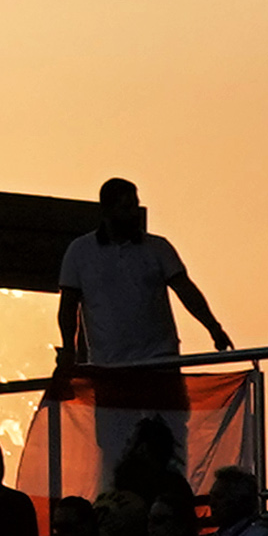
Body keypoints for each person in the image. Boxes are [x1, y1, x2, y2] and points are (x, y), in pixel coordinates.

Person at [51, 180, 225, 499]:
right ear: (106, 210)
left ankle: (173, 501)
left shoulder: (157, 248)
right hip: (110, 370)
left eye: (135, 204)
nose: (134, 212)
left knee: (170, 440)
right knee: (114, 447)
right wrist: (69, 353)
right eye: (125, 206)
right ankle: (118, 505)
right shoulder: (80, 251)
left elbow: (185, 289)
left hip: (160, 364)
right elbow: (68, 306)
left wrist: (213, 327)